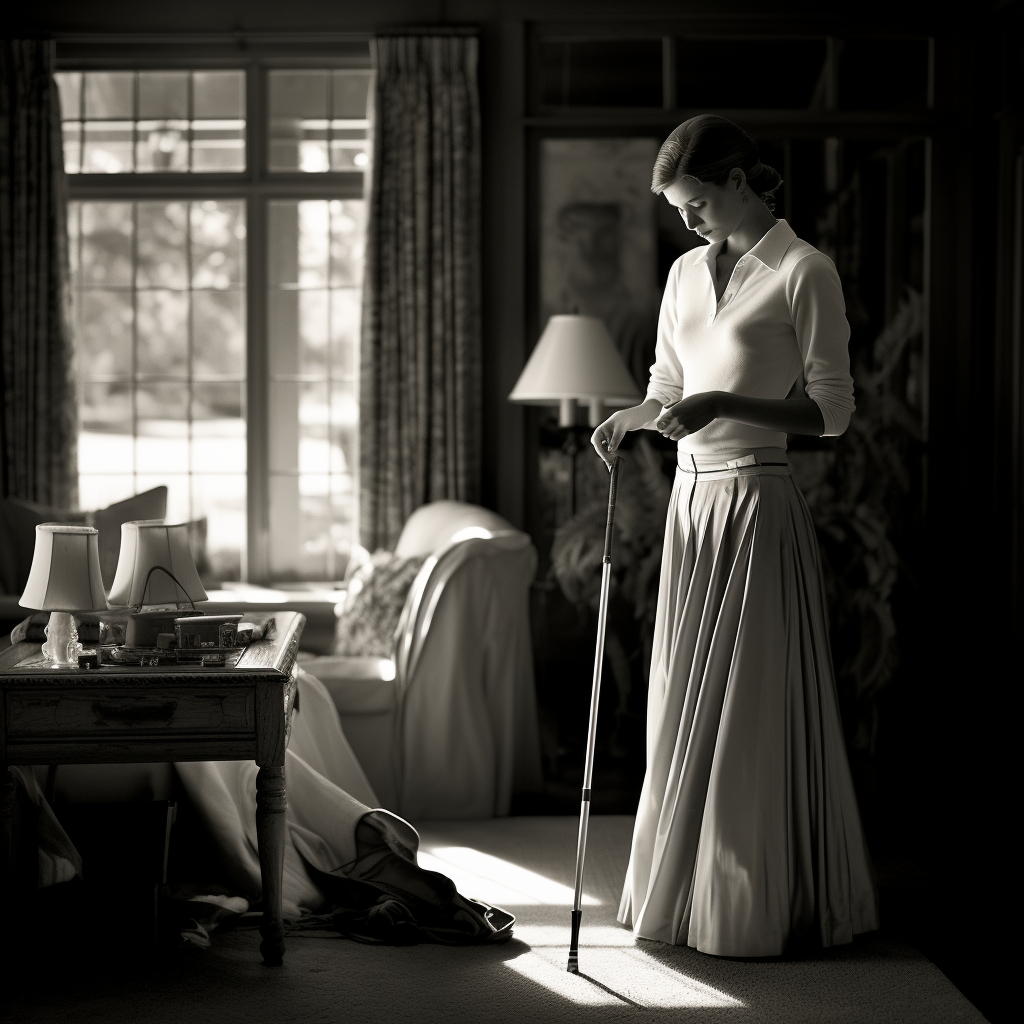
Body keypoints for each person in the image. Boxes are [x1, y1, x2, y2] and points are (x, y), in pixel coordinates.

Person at [592, 115, 879, 958]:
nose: (688, 221)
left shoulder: (804, 271)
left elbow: (831, 413)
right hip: (692, 507)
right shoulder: (684, 272)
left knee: (749, 707)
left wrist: (724, 407)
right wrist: (633, 418)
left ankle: (748, 904)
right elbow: (669, 385)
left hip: (757, 501)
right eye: (679, 208)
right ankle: (682, 890)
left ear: (745, 182)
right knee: (684, 699)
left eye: (700, 202)